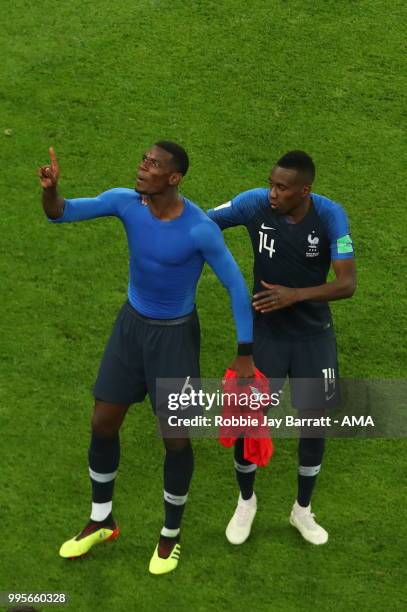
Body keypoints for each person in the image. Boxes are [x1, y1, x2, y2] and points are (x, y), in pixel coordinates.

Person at [38, 141, 255, 575]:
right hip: (130, 328)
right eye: (143, 159)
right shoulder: (125, 203)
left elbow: (235, 287)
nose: (142, 168)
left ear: (174, 178)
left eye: (153, 165)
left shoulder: (200, 229)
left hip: (174, 340)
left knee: (175, 438)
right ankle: (102, 519)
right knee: (103, 422)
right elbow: (60, 212)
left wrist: (245, 353)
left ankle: (170, 535)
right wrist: (50, 189)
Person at [208, 150, 356, 546]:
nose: (272, 193)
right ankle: (245, 502)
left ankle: (302, 511)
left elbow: (347, 284)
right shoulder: (254, 202)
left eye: (282, 187)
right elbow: (203, 222)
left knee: (314, 421)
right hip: (267, 337)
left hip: (313, 337)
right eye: (271, 183)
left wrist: (295, 295)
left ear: (304, 191)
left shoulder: (329, 216)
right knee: (247, 418)